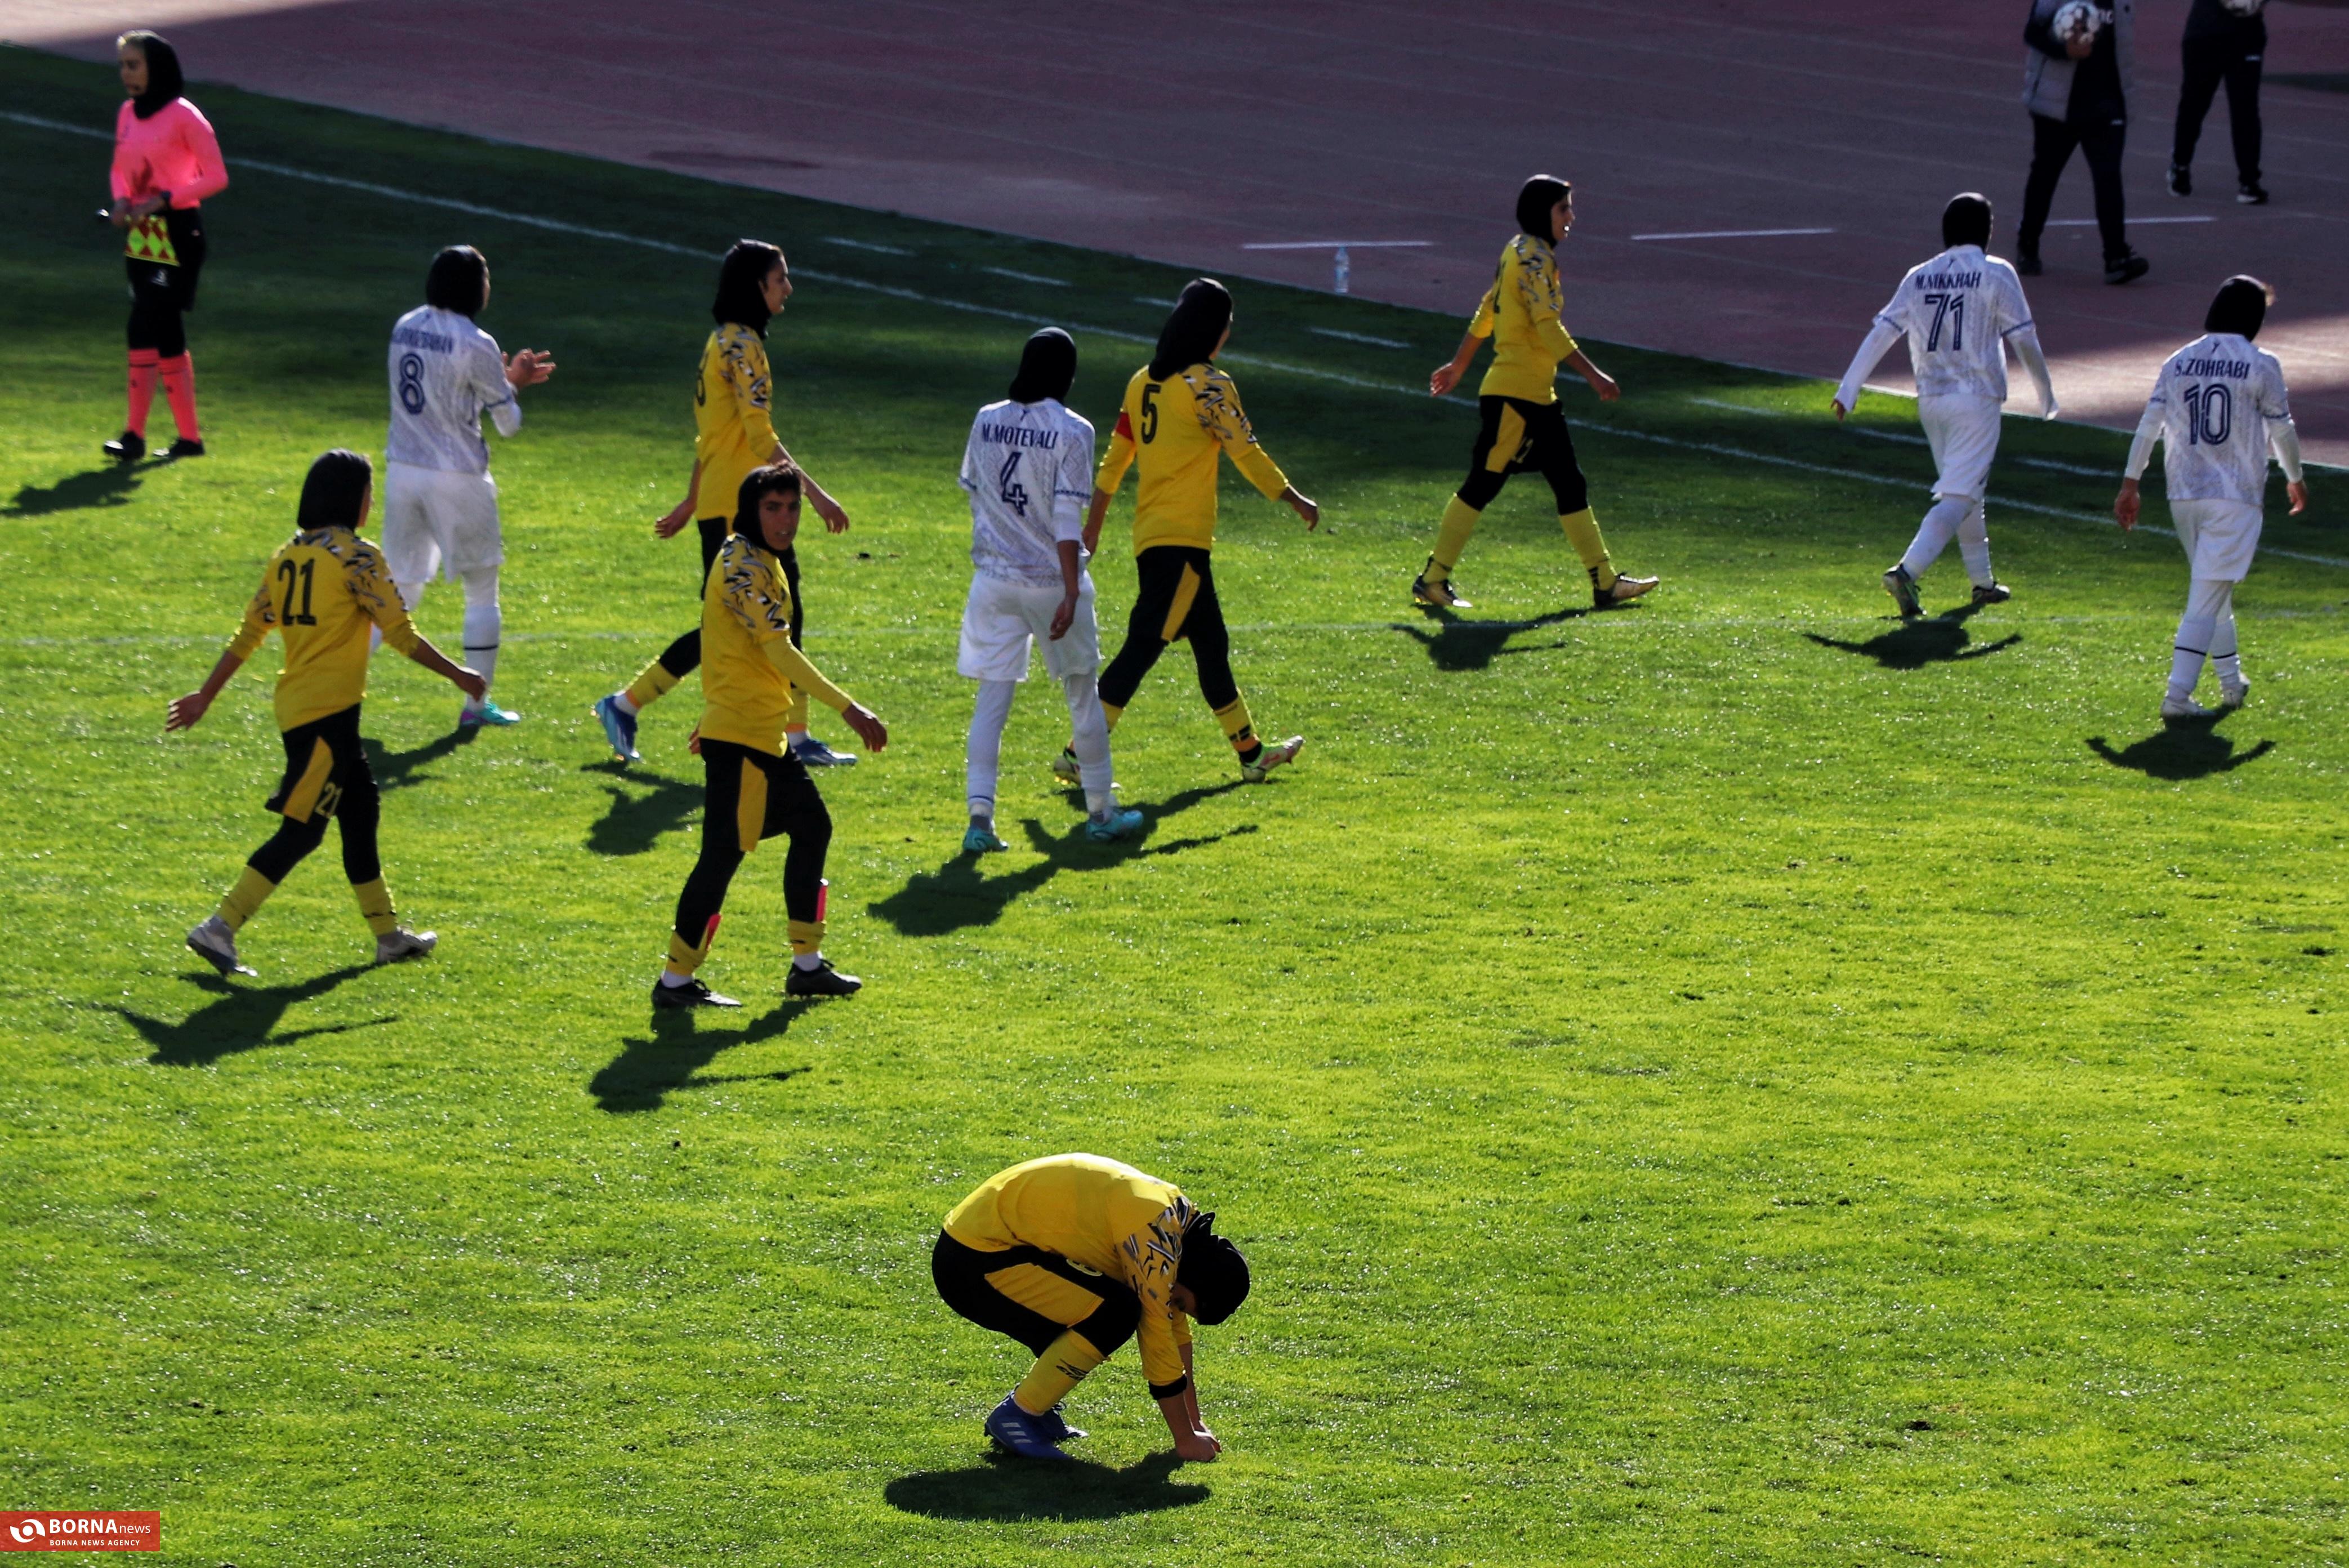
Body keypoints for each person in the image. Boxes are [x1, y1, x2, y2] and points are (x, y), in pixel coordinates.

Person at [167, 451, 482, 977]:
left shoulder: (287, 557)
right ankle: (220, 927)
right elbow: (401, 634)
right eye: (369, 492)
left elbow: (248, 635)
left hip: (305, 709)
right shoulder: (357, 557)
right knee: (303, 831)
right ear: (351, 498)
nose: (372, 502)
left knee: (361, 812)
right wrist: (460, 675)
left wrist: (205, 695)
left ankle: (388, 937)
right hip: (326, 716)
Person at [596, 242, 855, 769]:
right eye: (780, 279)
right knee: (765, 618)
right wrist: (815, 494)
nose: (788, 288)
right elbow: (758, 436)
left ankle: (632, 706)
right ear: (756, 287)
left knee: (750, 619)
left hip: (724, 500)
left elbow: (711, 438)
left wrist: (694, 500)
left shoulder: (720, 342)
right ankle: (630, 704)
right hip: (747, 506)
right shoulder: (744, 347)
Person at [652, 465, 886, 1009]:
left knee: (809, 827)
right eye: (773, 508)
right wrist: (847, 707)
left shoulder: (756, 557)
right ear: (750, 511)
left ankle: (805, 967)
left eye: (793, 507)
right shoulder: (742, 566)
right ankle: (676, 980)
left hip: (755, 734)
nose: (786, 520)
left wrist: (716, 714)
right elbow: (778, 651)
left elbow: (725, 643)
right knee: (722, 857)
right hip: (745, 741)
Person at [1077, 279, 1316, 786]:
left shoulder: (1142, 382)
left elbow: (1114, 462)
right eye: (1227, 324)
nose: (1228, 333)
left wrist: (1093, 527)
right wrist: (1292, 497)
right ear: (1214, 329)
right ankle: (1081, 753)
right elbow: (1245, 452)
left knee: (1211, 645)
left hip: (1152, 536)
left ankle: (1251, 753)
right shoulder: (1208, 385)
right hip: (1182, 540)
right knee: (1143, 645)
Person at [1414, 175, 1657, 613]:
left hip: (1534, 397)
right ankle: (1433, 578)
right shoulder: (1534, 259)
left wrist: (1459, 364)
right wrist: (1593, 375)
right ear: (1541, 212)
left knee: (1568, 482)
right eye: (1563, 208)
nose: (1570, 217)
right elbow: (1547, 327)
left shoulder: (1517, 250)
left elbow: (1487, 309)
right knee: (1482, 485)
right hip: (1516, 398)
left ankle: (1605, 582)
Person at [932, 1152, 1249, 1463]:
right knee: (1116, 1313)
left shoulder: (1175, 1224)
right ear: (1197, 1277)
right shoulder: (1155, 1233)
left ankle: (1035, 1411)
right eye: (1180, 1302)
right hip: (973, 1261)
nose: (1173, 1307)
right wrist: (1185, 1440)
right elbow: (1158, 1337)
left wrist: (1195, 1423)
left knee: (1101, 1309)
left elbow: (1175, 1330)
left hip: (981, 1245)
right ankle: (1018, 1415)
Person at [956, 328, 1143, 850]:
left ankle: (979, 821)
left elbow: (975, 495)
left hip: (992, 581)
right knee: (1083, 696)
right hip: (1048, 583)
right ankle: (1101, 811)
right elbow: (1065, 519)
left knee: (991, 701)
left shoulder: (985, 419)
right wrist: (1070, 590)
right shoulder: (1073, 430)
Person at [1833, 194, 2058, 617]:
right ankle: (1907, 571)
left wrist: (1848, 389)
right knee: (1958, 495)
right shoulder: (1996, 272)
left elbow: (1883, 331)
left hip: (1931, 401)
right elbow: (2024, 338)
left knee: (1966, 491)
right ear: (1988, 231)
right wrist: (2046, 395)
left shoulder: (1919, 276)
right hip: (1976, 398)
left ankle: (1983, 583)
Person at [2115, 275, 2307, 722]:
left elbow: (2148, 425)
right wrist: (2295, 477)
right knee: (2204, 598)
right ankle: (2177, 696)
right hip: (2234, 495)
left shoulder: (2178, 360)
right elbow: (2281, 429)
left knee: (2213, 591)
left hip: (2184, 494)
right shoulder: (2261, 364)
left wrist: (2130, 482)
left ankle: (2230, 682)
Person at [378, 245, 555, 729]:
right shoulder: (476, 342)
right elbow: (508, 424)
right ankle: (476, 708)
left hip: (402, 470)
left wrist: (496, 382)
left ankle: (338, 686)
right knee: (481, 590)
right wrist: (512, 383)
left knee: (399, 592)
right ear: (474, 288)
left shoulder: (404, 325)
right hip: (457, 476)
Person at [102, 30, 226, 464]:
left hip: (177, 230)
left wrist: (164, 199)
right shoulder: (127, 113)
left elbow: (217, 176)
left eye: (134, 65)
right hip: (144, 231)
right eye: (123, 66)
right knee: (161, 327)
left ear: (157, 67)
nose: (126, 74)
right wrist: (122, 200)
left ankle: (135, 436)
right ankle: (188, 440)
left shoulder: (185, 117)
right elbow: (119, 170)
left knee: (146, 322)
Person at [2018, 1, 2151, 284]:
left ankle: (2116, 257)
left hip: (2108, 105)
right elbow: (2032, 32)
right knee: (2045, 174)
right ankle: (2028, 244)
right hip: (2058, 107)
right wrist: (2065, 50)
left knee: (2108, 177)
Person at [2169, 0, 2270, 204]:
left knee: (2245, 109)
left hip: (2246, 35)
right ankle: (2180, 165)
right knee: (2194, 104)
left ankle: (2249, 181)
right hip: (2205, 33)